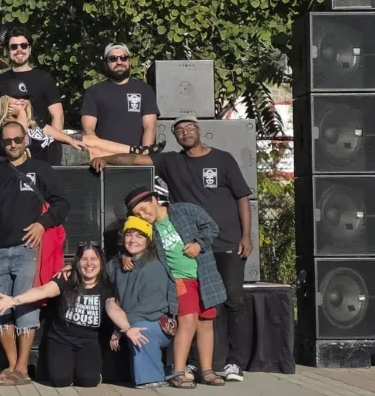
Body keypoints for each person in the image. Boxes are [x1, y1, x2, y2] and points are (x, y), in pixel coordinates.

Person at [92, 116, 254, 381]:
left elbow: (242, 197)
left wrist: (246, 236)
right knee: (191, 315)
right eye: (179, 131)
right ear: (175, 137)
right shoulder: (171, 162)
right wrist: (108, 158)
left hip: (225, 243)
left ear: (199, 131)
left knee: (230, 302)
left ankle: (233, 362)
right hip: (184, 260)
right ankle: (191, 366)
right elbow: (135, 161)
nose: (185, 133)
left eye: (189, 128)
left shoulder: (223, 159)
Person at [0, 121, 70, 385]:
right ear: (2, 143)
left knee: (26, 307)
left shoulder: (41, 169)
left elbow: (62, 203)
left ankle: (21, 369)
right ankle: (14, 366)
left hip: (30, 249)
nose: (13, 145)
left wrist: (43, 223)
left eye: (17, 139)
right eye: (8, 141)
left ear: (26, 139)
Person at [122, 187, 228, 388]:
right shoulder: (147, 228)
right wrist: (125, 254)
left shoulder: (186, 210)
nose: (144, 215)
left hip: (204, 275)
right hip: (178, 279)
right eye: (138, 214)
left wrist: (199, 244)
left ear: (154, 199)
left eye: (145, 209)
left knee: (206, 321)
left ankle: (206, 370)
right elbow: (133, 241)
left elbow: (211, 227)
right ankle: (178, 371)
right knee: (187, 321)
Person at [0, 243, 132, 388]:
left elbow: (113, 308)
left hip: (90, 340)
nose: (89, 264)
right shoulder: (66, 279)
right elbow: (43, 291)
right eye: (84, 259)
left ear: (101, 262)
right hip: (61, 338)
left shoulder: (106, 286)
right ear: (77, 262)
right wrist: (14, 301)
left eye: (94, 259)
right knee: (60, 381)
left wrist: (126, 328)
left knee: (88, 380)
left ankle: (92, 373)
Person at [108, 216, 174, 389]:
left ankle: (153, 378)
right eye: (129, 234)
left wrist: (121, 329)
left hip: (154, 321)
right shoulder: (118, 262)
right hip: (129, 320)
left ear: (148, 241)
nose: (133, 240)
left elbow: (147, 309)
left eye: (139, 236)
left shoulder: (153, 267)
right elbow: (99, 271)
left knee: (141, 331)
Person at [80, 43, 159, 151]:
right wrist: (98, 153)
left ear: (129, 61)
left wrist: (145, 156)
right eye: (113, 59)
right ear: (106, 63)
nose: (119, 62)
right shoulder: (94, 91)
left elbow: (150, 127)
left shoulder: (144, 90)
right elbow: (88, 129)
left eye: (124, 57)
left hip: (135, 159)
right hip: (104, 158)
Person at [0, 78, 88, 164]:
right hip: (56, 157)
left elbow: (49, 130)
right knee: (94, 152)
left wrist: (71, 140)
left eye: (25, 97)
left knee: (92, 140)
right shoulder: (5, 124)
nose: (22, 100)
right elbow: (20, 134)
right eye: (16, 96)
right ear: (4, 99)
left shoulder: (30, 120)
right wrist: (21, 112)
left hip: (56, 145)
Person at [0, 27, 63, 130]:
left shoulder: (44, 78)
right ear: (7, 50)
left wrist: (53, 142)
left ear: (30, 48)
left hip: (39, 141)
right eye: (14, 47)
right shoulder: (0, 79)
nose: (19, 50)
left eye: (23, 46)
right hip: (8, 143)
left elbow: (58, 116)